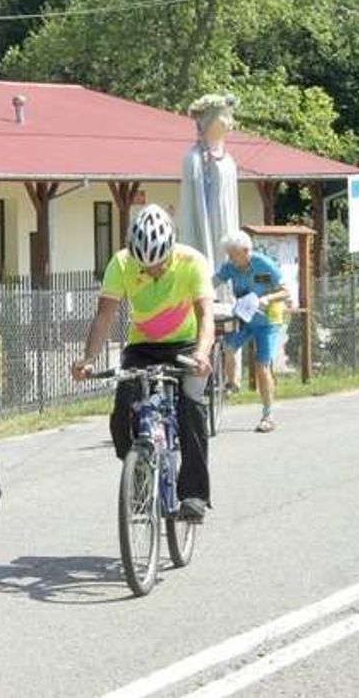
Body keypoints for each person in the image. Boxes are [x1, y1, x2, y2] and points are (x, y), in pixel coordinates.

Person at [71, 204, 215, 522]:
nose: (151, 271)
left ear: (171, 250)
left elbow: (206, 315)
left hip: (187, 345)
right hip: (143, 347)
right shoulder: (121, 263)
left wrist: (202, 354)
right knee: (123, 409)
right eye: (144, 265)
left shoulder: (192, 261)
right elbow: (104, 316)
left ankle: (193, 494)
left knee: (191, 407)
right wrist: (88, 359)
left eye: (159, 264)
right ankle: (137, 473)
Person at [214, 230, 289, 433]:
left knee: (261, 367)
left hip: (268, 321)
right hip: (245, 319)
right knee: (228, 347)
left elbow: (285, 291)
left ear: (246, 251)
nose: (229, 258)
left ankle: (268, 415)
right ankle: (232, 384)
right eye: (228, 254)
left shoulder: (264, 264)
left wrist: (267, 299)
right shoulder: (230, 266)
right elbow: (213, 282)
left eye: (233, 254)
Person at [177, 93, 240, 275]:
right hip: (205, 225)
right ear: (208, 121)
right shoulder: (193, 159)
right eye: (224, 116)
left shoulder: (228, 160)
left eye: (230, 116)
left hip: (226, 224)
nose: (229, 122)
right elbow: (192, 206)